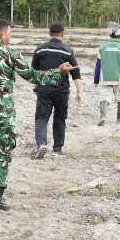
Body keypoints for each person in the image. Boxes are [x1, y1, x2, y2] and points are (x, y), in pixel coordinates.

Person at [0, 19, 72, 211]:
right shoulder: (10, 53)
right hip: (2, 112)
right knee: (2, 151)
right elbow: (33, 76)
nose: (10, 38)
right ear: (2, 34)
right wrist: (58, 71)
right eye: (9, 34)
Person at [31, 21, 83, 159]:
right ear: (63, 33)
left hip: (44, 89)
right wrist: (79, 92)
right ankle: (57, 150)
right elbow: (76, 74)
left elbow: (33, 71)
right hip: (61, 91)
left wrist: (36, 86)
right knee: (60, 118)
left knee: (41, 118)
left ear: (49, 33)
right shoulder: (68, 50)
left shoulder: (40, 49)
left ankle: (41, 144)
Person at [94, 26, 120, 126]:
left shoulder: (102, 48)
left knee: (104, 96)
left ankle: (103, 116)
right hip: (119, 78)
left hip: (105, 78)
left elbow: (98, 65)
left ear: (110, 36)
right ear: (119, 37)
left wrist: (96, 80)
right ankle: (119, 118)